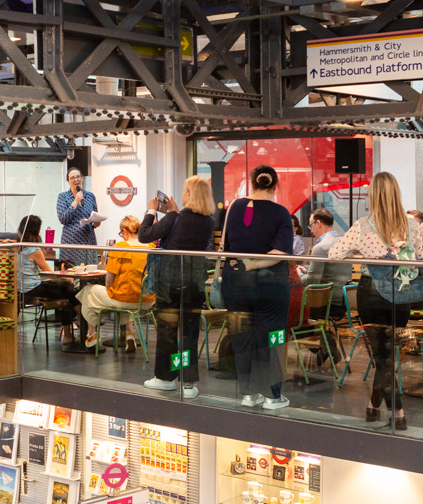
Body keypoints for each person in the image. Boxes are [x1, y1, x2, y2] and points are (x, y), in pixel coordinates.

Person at [329, 172, 423, 430]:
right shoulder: (413, 227)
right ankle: (374, 404)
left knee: (381, 356)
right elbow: (418, 259)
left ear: (372, 196)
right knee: (388, 355)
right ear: (397, 195)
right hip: (401, 293)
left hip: (371, 291)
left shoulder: (363, 226)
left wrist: (361, 253)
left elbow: (334, 253)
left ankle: (398, 413)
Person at [221, 165, 295, 411]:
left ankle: (248, 394)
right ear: (275, 186)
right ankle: (272, 396)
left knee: (241, 338)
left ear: (252, 182)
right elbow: (281, 252)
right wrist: (253, 264)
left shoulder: (233, 208)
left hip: (236, 283)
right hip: (270, 284)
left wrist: (243, 264)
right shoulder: (281, 213)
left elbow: (226, 245)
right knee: (271, 339)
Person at [138, 176, 216, 398]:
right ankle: (188, 382)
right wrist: (173, 212)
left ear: (190, 194)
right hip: (194, 284)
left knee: (167, 333)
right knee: (190, 333)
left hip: (169, 284)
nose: (181, 194)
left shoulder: (174, 218)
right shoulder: (208, 221)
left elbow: (144, 236)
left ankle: (165, 377)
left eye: (184, 190)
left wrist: (152, 211)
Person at [79, 216, 154, 352]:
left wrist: (110, 288)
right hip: (148, 300)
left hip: (126, 298)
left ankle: (92, 334)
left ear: (125, 231)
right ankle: (129, 334)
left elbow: (109, 279)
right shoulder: (151, 247)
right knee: (124, 297)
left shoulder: (121, 247)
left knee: (88, 291)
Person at [17, 215, 85, 350]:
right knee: (69, 290)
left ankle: (70, 332)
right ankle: (83, 322)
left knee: (65, 292)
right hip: (33, 287)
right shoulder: (34, 250)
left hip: (22, 288)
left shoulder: (18, 247)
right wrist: (67, 277)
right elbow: (48, 272)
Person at [300, 208, 352, 322]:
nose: (311, 231)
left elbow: (312, 281)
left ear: (318, 223)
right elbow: (331, 271)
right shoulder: (345, 243)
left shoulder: (321, 248)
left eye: (311, 226)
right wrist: (306, 271)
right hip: (344, 301)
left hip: (326, 304)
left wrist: (296, 275)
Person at [55, 167, 100, 268]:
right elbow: (63, 219)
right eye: (72, 178)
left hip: (88, 241)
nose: (76, 180)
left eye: (78, 177)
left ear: (82, 178)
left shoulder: (90, 196)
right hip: (71, 242)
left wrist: (96, 223)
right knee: (73, 275)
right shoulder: (63, 197)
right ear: (68, 181)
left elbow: (95, 215)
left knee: (90, 273)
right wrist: (75, 202)